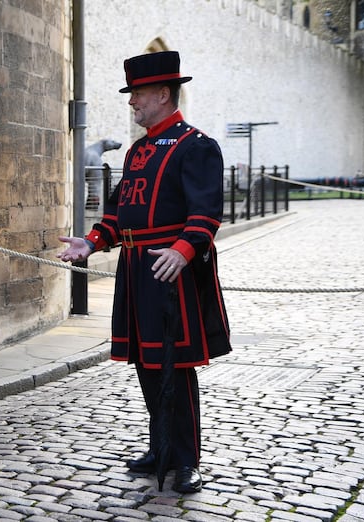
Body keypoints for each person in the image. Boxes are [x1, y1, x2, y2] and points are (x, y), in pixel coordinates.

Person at [58, 51, 231, 494]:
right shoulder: (136, 152)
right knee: (147, 362)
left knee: (177, 364)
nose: (132, 102)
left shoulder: (197, 146)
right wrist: (92, 242)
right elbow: (118, 213)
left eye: (137, 94)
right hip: (135, 271)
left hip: (170, 272)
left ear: (162, 93)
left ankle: (187, 459)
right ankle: (162, 447)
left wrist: (182, 250)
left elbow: (206, 213)